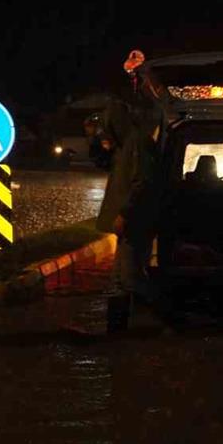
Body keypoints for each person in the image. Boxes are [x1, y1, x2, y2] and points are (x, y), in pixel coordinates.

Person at [95, 100, 160, 331]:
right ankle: (119, 327)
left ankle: (146, 321)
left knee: (128, 277)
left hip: (135, 222)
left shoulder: (137, 144)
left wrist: (124, 213)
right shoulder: (124, 146)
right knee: (121, 278)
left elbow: (142, 182)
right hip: (130, 222)